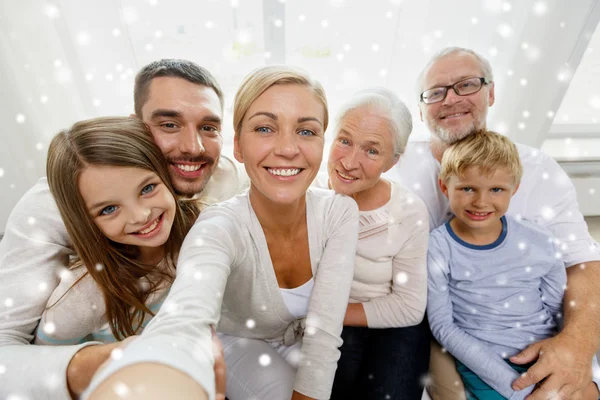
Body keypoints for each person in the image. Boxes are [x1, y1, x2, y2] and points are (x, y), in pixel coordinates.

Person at [82, 65, 360, 400]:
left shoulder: (340, 212)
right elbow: (186, 316)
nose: (288, 149)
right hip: (241, 344)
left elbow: (325, 329)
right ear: (238, 146)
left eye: (306, 131)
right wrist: (161, 369)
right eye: (265, 128)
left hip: (300, 339)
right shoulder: (217, 227)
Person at [0, 59, 242, 399]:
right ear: (136, 129)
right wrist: (97, 364)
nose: (194, 147)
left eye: (208, 127)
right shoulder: (48, 210)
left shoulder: (222, 176)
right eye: (169, 123)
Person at [384, 47, 600, 400]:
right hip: (445, 329)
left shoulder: (538, 170)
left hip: (525, 330)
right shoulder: (395, 167)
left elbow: (582, 262)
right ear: (421, 111)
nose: (451, 99)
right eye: (436, 92)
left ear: (492, 92)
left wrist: (575, 344)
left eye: (467, 85)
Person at [427, 130, 600, 400]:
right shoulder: (437, 247)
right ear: (444, 187)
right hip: (485, 364)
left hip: (544, 353)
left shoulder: (539, 240)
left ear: (514, 189)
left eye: (496, 189)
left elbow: (558, 308)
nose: (481, 202)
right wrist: (516, 387)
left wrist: (568, 365)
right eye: (467, 188)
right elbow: (443, 327)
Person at [313, 87, 429, 399]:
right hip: (330, 324)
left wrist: (326, 313)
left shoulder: (409, 212)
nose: (349, 162)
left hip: (390, 322)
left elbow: (409, 307)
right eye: (344, 141)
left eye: (372, 151)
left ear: (393, 161)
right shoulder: (304, 191)